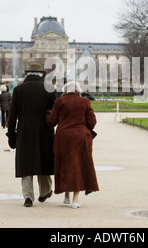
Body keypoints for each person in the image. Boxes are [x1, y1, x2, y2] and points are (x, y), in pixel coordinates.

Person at [7, 64, 57, 207]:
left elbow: (12, 116)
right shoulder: (49, 89)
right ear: (41, 75)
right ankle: (44, 191)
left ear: (27, 75)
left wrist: (11, 135)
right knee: (43, 160)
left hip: (24, 129)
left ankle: (28, 197)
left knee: (26, 162)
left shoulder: (18, 89)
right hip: (44, 129)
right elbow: (55, 113)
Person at [46, 81, 99, 209]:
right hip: (80, 138)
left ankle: (66, 196)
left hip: (63, 137)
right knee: (78, 166)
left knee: (65, 165)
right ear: (78, 90)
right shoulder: (84, 102)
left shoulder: (59, 102)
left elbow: (52, 121)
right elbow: (92, 122)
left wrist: (47, 113)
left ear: (65, 90)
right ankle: (75, 200)